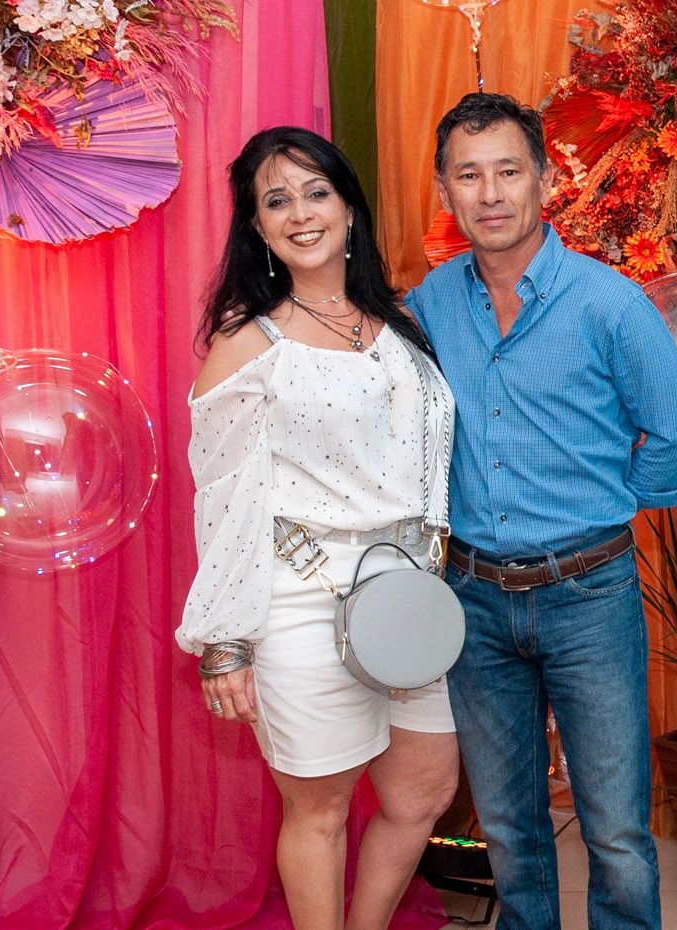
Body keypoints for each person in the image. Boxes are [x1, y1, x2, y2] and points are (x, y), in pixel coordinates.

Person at [406, 93, 677, 930]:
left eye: (508, 171)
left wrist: (615, 503)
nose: (490, 193)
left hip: (588, 594)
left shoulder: (609, 303)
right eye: (469, 175)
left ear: (544, 178)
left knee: (615, 829)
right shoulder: (433, 302)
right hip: (474, 598)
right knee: (509, 827)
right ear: (445, 189)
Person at [178, 126, 459, 930]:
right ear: (257, 227)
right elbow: (221, 498)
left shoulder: (401, 326)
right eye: (277, 201)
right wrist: (225, 640)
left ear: (348, 207)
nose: (301, 213)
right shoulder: (247, 343)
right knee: (320, 809)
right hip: (301, 600)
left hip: (408, 597)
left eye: (316, 192)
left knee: (422, 793)